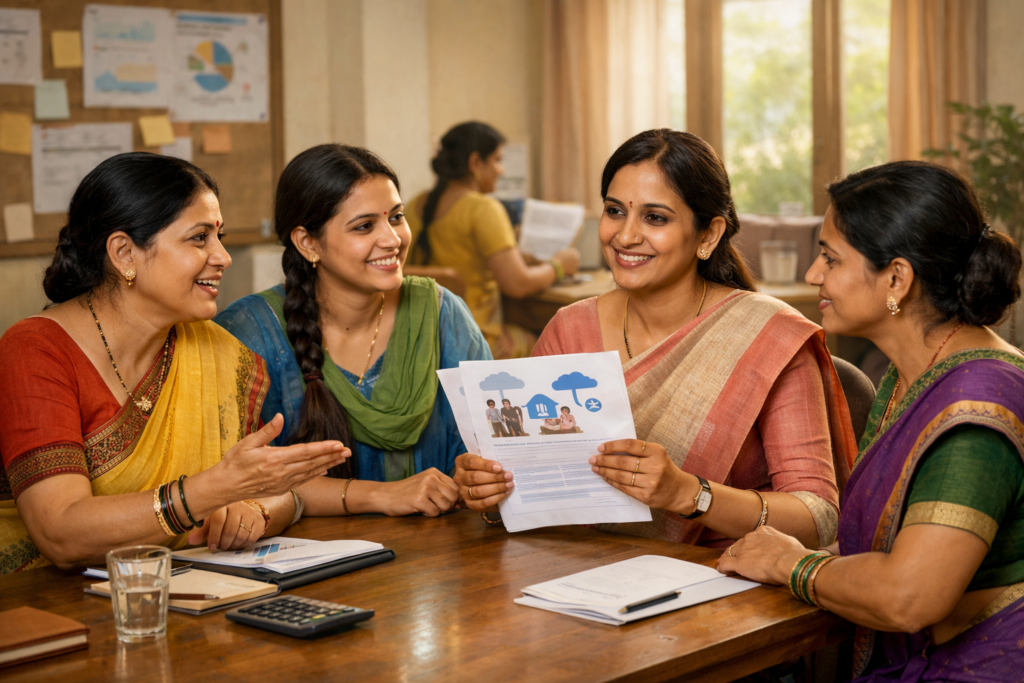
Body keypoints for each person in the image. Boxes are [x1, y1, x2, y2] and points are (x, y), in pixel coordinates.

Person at [456, 129, 856, 550]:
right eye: (614, 211)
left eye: (655, 218)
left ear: (708, 235)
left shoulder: (767, 337)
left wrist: (689, 493)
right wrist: (488, 493)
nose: (625, 236)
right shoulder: (569, 328)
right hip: (573, 573)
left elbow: (817, 517)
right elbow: (526, 489)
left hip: (723, 583)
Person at [717, 161, 1024, 681]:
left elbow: (910, 596)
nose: (814, 275)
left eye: (830, 258)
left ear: (897, 279)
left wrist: (791, 564)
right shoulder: (912, 376)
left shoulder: (978, 406)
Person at [0, 153, 349, 573]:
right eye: (199, 238)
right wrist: (205, 493)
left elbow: (279, 493)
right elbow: (59, 533)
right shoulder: (37, 350)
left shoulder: (218, 352)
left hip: (193, 592)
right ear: (124, 253)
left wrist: (254, 509)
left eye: (218, 236)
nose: (222, 257)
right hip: (53, 611)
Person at [216, 144, 489, 518]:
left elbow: (488, 448)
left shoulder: (443, 314)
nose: (393, 239)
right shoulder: (251, 331)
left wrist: (476, 479)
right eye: (365, 226)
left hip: (441, 557)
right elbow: (236, 481)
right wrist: (382, 495)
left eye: (396, 217)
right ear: (308, 243)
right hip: (304, 561)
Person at [406, 121, 581, 359]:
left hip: (426, 342)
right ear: (475, 162)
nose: (502, 170)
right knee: (549, 341)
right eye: (497, 160)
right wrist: (559, 265)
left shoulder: (415, 205)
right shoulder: (482, 208)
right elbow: (518, 284)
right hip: (474, 341)